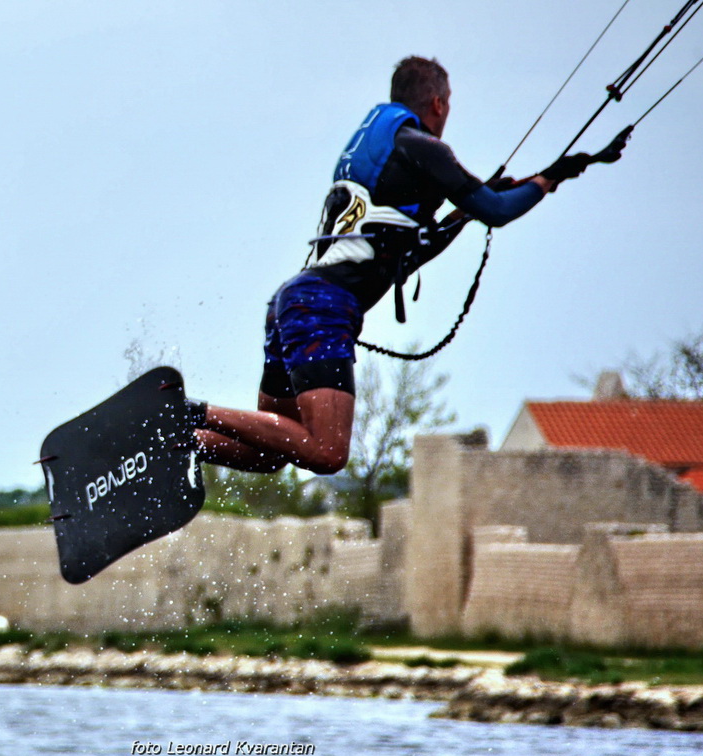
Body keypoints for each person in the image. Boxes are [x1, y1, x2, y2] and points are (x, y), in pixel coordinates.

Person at [189, 56, 616, 475]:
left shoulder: (380, 153)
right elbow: (498, 211)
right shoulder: (422, 147)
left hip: (292, 302)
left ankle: (176, 442)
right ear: (438, 104)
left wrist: (513, 189)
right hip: (321, 308)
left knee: (268, 452)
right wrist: (548, 178)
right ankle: (191, 412)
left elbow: (423, 239)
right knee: (327, 451)